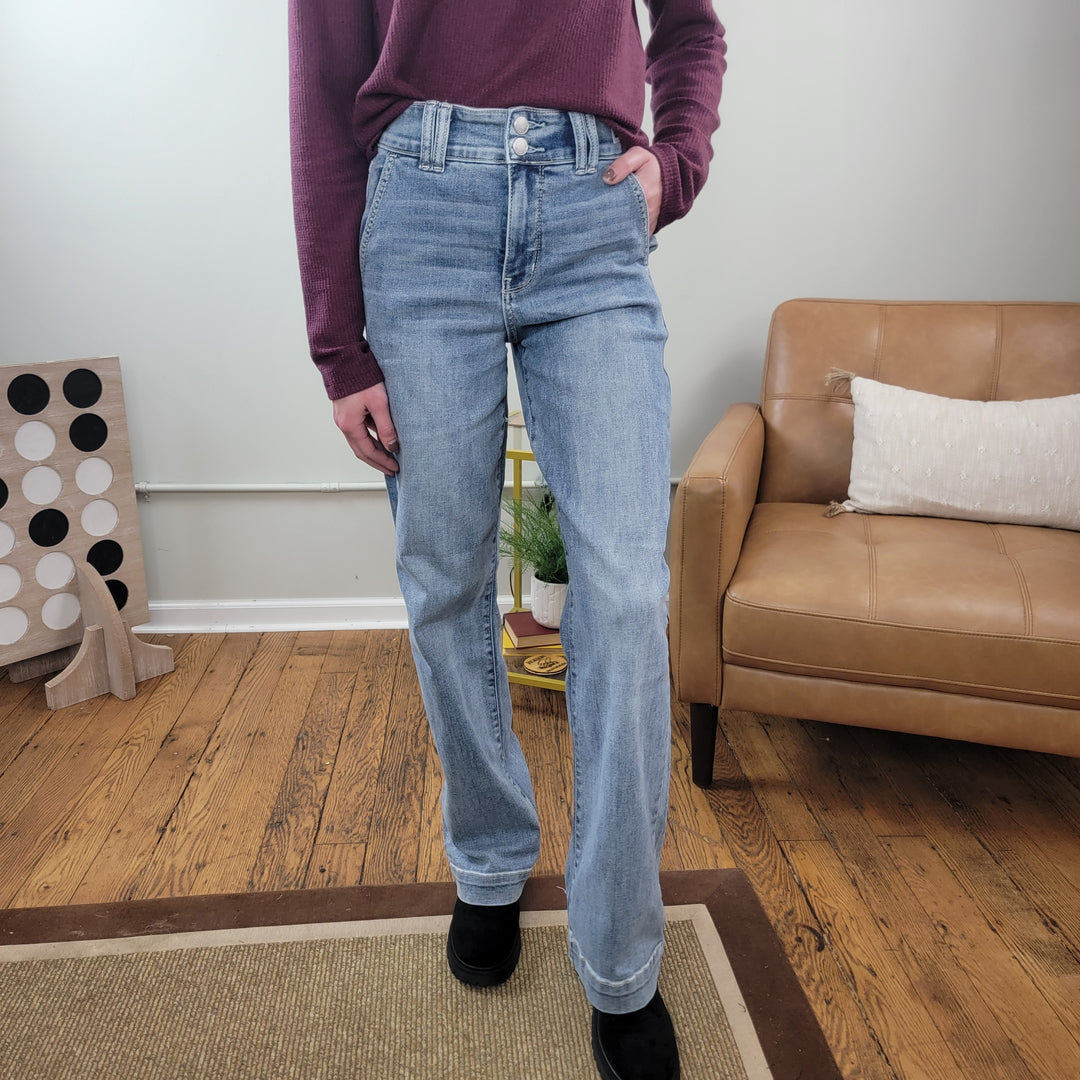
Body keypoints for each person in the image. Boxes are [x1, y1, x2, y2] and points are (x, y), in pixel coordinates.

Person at [289, 4, 726, 1077]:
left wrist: (680, 158)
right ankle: (490, 863)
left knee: (623, 593)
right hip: (420, 214)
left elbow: (691, 26)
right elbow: (321, 90)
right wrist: (340, 349)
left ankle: (621, 957)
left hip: (593, 211)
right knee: (442, 578)